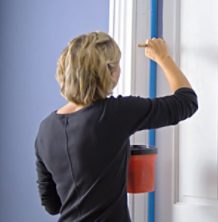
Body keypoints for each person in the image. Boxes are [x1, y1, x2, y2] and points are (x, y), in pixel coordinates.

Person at [34, 32, 198, 221]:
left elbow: (51, 205)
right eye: (118, 64)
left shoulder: (45, 129)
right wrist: (163, 57)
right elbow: (187, 102)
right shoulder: (113, 113)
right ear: (109, 72)